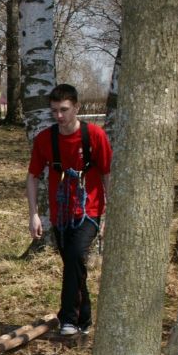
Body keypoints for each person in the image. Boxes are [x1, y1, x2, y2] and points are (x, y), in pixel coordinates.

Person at [26, 84, 113, 337]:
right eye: (54, 110)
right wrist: (34, 214)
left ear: (76, 107)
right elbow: (32, 177)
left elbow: (108, 175)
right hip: (61, 214)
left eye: (64, 110)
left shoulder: (94, 135)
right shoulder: (45, 139)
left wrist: (110, 215)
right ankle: (84, 320)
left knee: (75, 257)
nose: (59, 116)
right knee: (73, 265)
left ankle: (67, 318)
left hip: (89, 211)